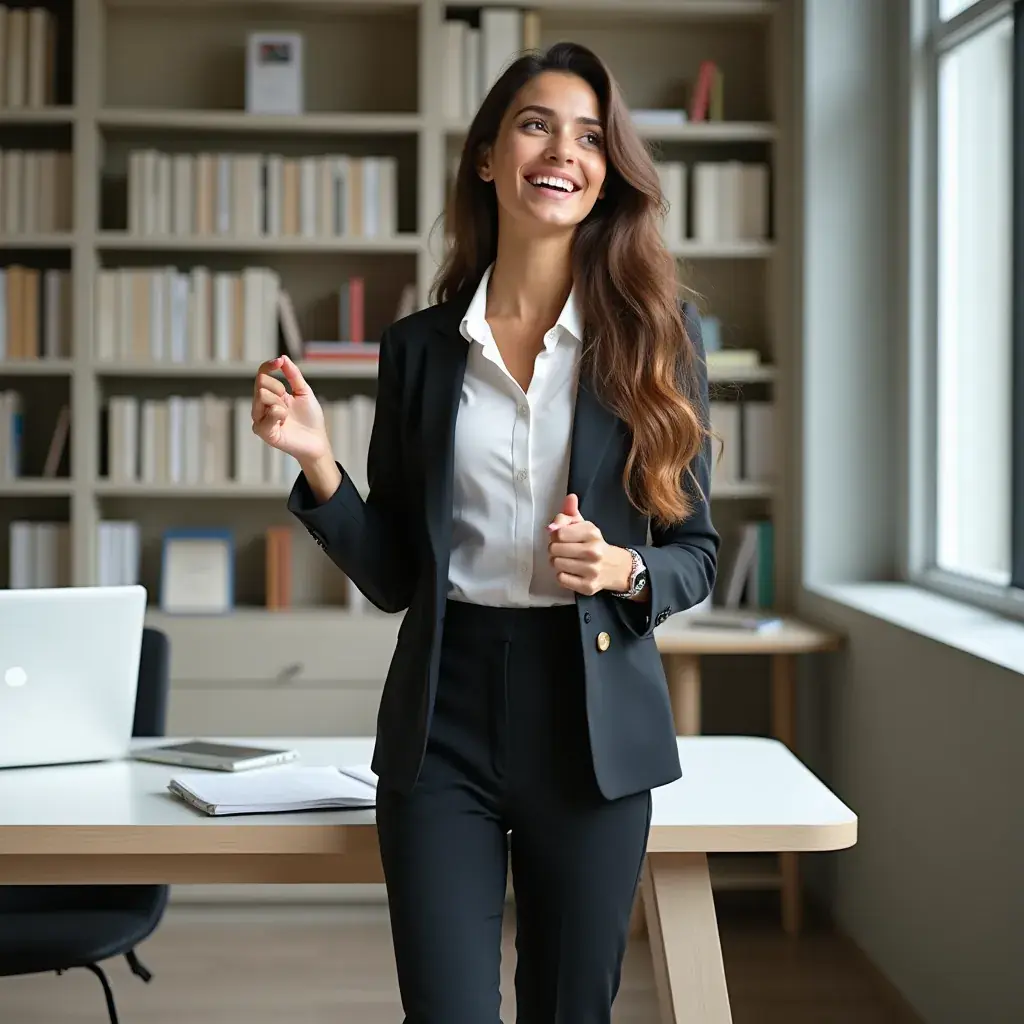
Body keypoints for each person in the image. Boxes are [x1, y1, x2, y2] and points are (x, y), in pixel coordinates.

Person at [251, 40, 719, 1024]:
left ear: (608, 173)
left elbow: (696, 554)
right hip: (443, 719)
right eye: (536, 123)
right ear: (487, 156)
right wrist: (316, 463)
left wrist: (624, 564)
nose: (563, 150)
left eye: (591, 136)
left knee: (568, 1010)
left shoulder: (656, 338)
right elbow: (391, 573)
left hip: (589, 719)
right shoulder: (419, 349)